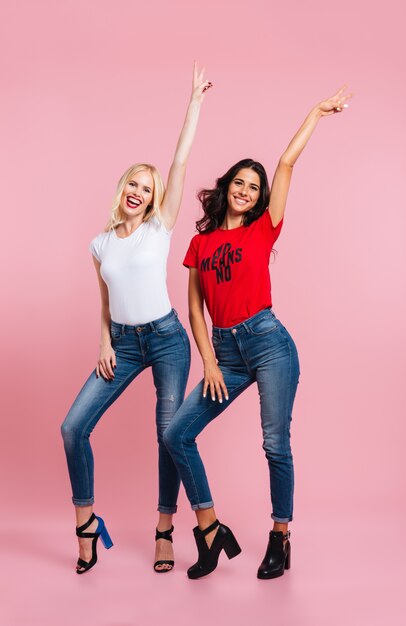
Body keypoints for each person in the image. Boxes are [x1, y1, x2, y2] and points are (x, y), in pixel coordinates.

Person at [164, 86, 352, 579]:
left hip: (268, 343)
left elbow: (286, 165)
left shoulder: (263, 228)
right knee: (177, 434)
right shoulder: (201, 243)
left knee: (274, 442)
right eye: (239, 183)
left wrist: (314, 112)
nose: (246, 190)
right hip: (223, 351)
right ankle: (210, 530)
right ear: (226, 187)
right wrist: (207, 361)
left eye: (254, 186)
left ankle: (280, 537)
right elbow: (194, 308)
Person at [60, 63, 212, 574]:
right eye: (135, 182)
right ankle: (86, 527)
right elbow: (105, 300)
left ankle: (165, 528)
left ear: (152, 200)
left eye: (148, 188)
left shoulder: (159, 229)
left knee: (167, 433)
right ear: (122, 186)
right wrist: (104, 341)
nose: (140, 191)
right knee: (73, 428)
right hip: (122, 344)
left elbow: (180, 159)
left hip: (168, 338)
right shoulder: (99, 244)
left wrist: (193, 103)